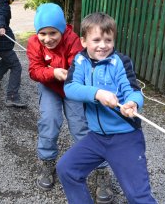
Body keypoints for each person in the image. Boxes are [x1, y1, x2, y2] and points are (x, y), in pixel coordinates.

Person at [58, 12, 157, 204]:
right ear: (84, 41)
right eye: (96, 40)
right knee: (67, 169)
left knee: (138, 196)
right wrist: (98, 94)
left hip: (125, 137)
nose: (103, 45)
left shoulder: (121, 61)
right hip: (96, 137)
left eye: (108, 40)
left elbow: (134, 91)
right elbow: (70, 88)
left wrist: (133, 103)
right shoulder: (79, 61)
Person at [27, 3, 112, 200]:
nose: (47, 39)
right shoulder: (34, 43)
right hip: (50, 88)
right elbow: (34, 70)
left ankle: (101, 171)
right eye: (43, 33)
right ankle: (48, 162)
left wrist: (73, 76)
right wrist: (52, 72)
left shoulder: (72, 40)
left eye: (53, 33)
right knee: (49, 122)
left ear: (63, 29)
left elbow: (81, 64)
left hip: (73, 89)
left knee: (81, 127)